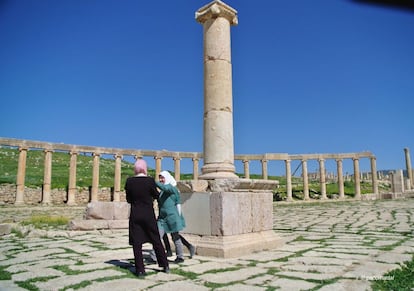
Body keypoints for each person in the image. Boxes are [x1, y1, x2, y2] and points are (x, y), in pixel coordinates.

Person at [125, 159, 169, 276]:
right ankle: (164, 264)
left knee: (137, 243)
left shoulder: (129, 181)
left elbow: (128, 199)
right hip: (148, 214)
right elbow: (157, 195)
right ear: (145, 168)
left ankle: (140, 269)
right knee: (156, 240)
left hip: (135, 214)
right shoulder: (149, 181)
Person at [155, 170, 194, 263]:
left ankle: (180, 256)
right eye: (159, 177)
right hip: (162, 218)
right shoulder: (163, 191)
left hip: (172, 216)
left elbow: (165, 189)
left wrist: (152, 181)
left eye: (162, 177)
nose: (160, 179)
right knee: (157, 236)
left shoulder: (171, 188)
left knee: (175, 237)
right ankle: (154, 256)